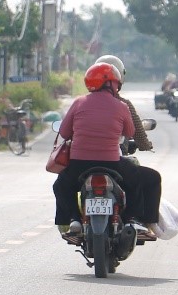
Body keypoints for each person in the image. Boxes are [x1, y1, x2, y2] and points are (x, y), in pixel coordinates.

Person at [53, 61, 163, 240]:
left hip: (79, 164)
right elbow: (129, 132)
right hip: (112, 163)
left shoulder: (78, 103)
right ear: (110, 83)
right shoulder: (122, 106)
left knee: (61, 185)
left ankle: (74, 219)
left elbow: (64, 132)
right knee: (149, 179)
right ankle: (134, 220)